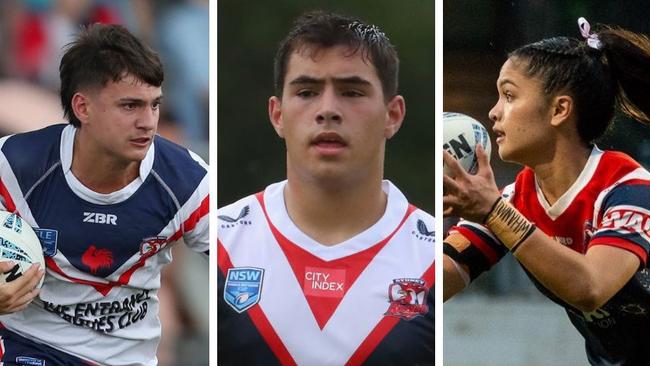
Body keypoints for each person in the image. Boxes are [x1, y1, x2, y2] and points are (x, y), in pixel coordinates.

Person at [218, 10, 435, 366]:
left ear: (392, 116)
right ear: (277, 115)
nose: (328, 110)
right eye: (306, 92)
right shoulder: (222, 244)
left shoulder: (432, 258)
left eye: (352, 92)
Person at [443, 17, 650, 365]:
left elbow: (591, 289)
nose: (493, 112)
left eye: (508, 95)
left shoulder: (630, 188)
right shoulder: (514, 201)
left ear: (559, 110)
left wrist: (494, 211)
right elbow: (433, 283)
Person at [0, 24, 209, 365]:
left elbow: (243, 266)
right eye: (130, 106)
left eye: (154, 105)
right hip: (30, 347)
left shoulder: (187, 182)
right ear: (82, 107)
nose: (148, 122)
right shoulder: (15, 165)